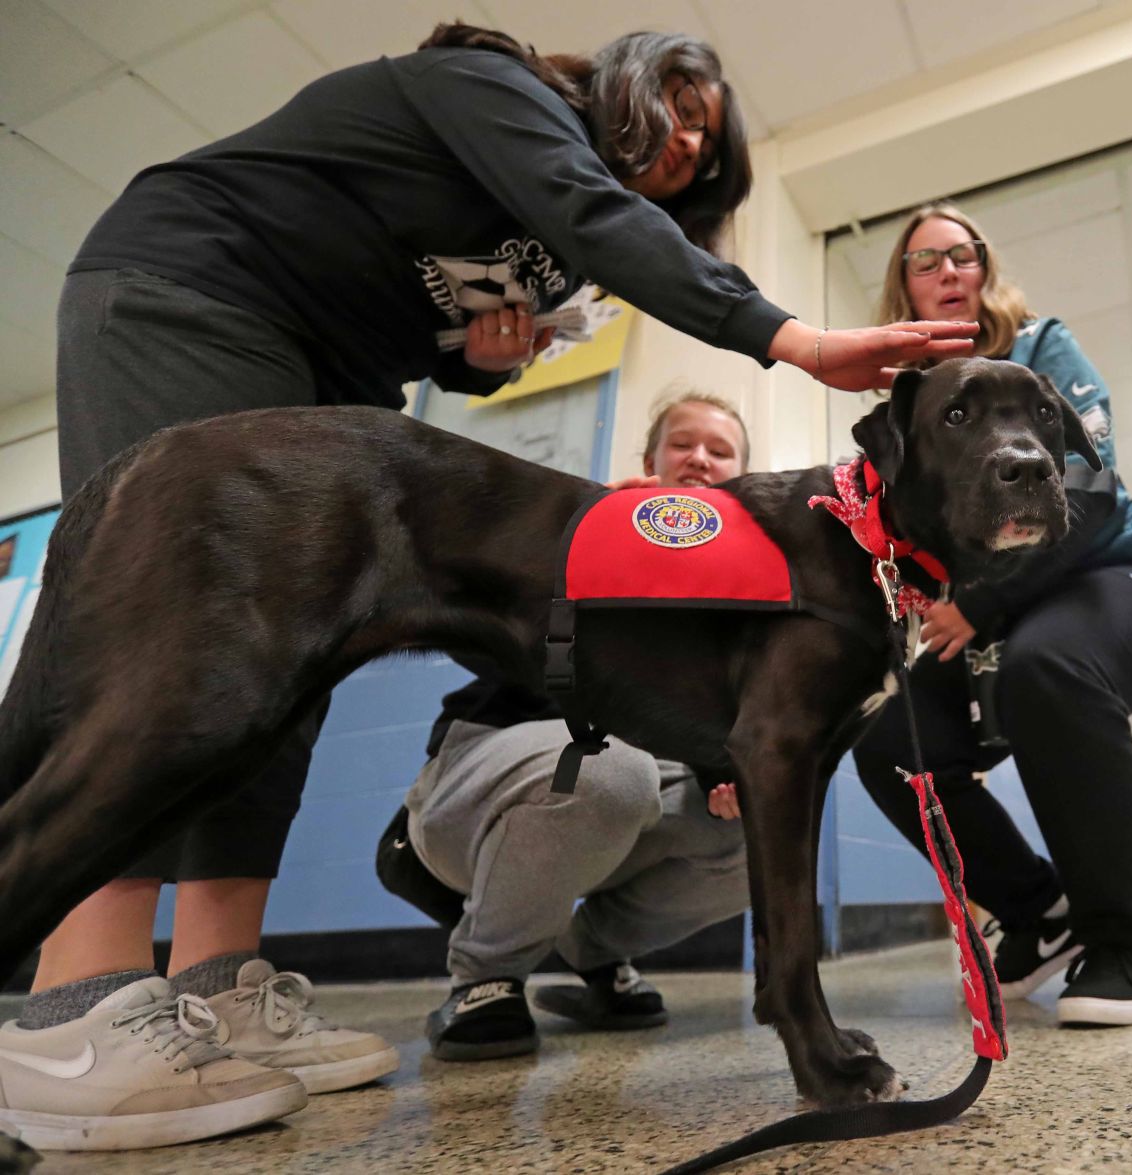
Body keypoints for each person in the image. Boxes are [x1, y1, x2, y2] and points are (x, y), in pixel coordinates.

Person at [0, 22, 973, 1153]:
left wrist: (475, 359)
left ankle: (221, 987)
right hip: (198, 291)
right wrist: (791, 338)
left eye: (704, 148)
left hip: (331, 363)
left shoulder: (544, 256)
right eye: (680, 104)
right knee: (182, 679)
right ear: (614, 83)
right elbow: (593, 213)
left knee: (271, 691)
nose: (685, 141)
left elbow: (465, 301)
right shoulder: (489, 84)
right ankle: (77, 1007)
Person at [852, 203, 1132, 1028]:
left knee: (1046, 665)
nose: (945, 271)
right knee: (888, 743)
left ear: (983, 270)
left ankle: (1122, 940)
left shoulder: (1040, 348)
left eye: (961, 255)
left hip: (1109, 576)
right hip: (984, 623)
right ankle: (1041, 914)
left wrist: (979, 600)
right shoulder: (906, 400)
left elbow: (1092, 487)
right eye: (924, 259)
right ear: (903, 281)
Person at [378, 391, 753, 1060]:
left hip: (618, 801)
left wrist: (729, 762)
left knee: (769, 825)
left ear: (744, 479)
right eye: (683, 445)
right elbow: (467, 618)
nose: (699, 459)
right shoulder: (582, 530)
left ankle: (588, 952)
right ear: (649, 463)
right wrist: (584, 538)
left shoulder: (741, 598)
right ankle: (484, 976)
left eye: (720, 451)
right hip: (491, 781)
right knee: (608, 765)